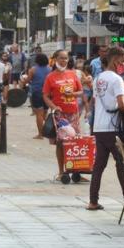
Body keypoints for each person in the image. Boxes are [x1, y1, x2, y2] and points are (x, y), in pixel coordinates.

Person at [87, 47, 124, 212]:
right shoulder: (116, 80)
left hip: (99, 127)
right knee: (122, 163)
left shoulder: (98, 79)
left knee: (99, 165)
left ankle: (93, 201)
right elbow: (121, 104)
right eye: (123, 62)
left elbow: (95, 102)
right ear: (115, 61)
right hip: (114, 129)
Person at [43, 50, 85, 182]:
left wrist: (72, 94)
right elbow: (45, 95)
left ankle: (75, 170)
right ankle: (62, 172)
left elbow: (81, 91)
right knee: (61, 143)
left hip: (73, 113)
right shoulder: (50, 77)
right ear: (55, 59)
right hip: (60, 115)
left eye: (66, 58)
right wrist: (54, 107)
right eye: (61, 58)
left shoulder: (72, 74)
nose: (64, 61)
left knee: (75, 142)